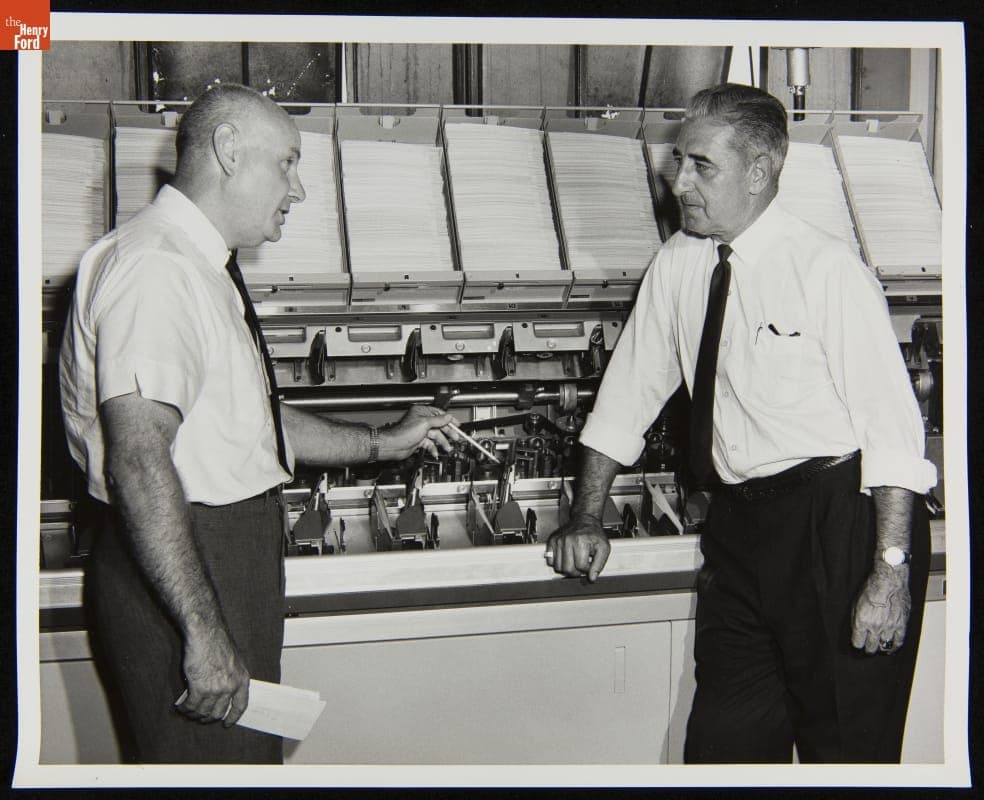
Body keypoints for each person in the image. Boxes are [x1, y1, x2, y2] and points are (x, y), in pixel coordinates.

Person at [59, 83, 455, 764]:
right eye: (288, 163)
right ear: (229, 151)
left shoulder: (194, 264)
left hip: (209, 557)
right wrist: (204, 633)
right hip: (188, 564)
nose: (298, 189)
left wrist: (382, 441)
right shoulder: (157, 269)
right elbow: (140, 462)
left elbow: (247, 427)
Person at [545, 83, 937, 763]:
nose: (679, 182)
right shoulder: (677, 263)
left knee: (847, 756)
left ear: (758, 173)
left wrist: (889, 573)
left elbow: (893, 436)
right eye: (679, 161)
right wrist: (586, 516)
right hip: (740, 531)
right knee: (722, 750)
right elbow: (627, 397)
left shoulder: (828, 271)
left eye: (701, 165)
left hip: (838, 527)